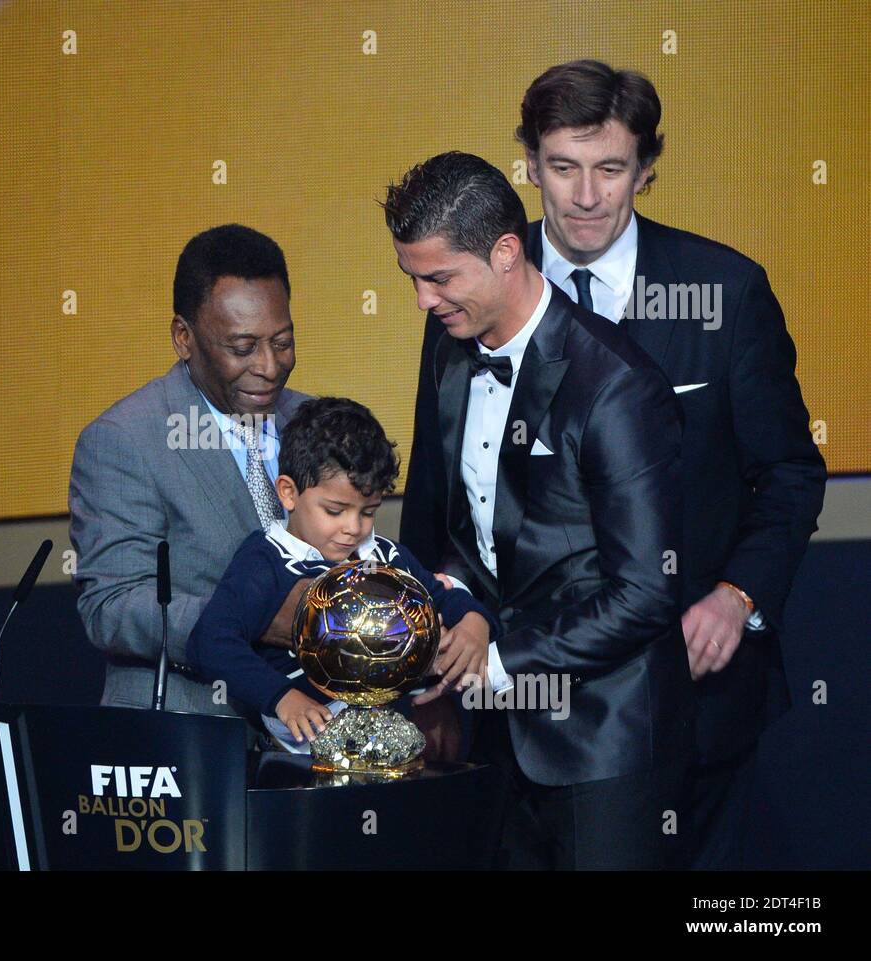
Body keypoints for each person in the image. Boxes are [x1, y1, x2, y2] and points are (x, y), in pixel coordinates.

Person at [505, 60, 824, 868]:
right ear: (529, 164)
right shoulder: (477, 294)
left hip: (692, 700)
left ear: (645, 170)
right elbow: (450, 493)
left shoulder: (726, 290)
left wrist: (736, 594)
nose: (585, 196)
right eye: (564, 168)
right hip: (523, 706)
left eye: (610, 169)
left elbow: (788, 472)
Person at [390, 151, 693, 869]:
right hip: (497, 745)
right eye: (412, 279)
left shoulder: (616, 386)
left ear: (504, 253)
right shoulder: (449, 350)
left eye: (438, 278)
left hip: (606, 745)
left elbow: (646, 591)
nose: (423, 301)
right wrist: (457, 602)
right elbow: (466, 530)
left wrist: (496, 662)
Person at [69, 225, 311, 716]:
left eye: (282, 342)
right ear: (184, 338)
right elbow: (111, 606)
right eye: (242, 348)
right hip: (191, 730)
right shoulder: (123, 439)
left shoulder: (314, 420)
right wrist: (252, 615)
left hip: (316, 731)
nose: (268, 366)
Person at [187, 396, 498, 749]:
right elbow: (210, 642)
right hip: (309, 754)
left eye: (368, 512)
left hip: (400, 738)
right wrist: (280, 697)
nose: (354, 528)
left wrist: (475, 620)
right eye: (335, 511)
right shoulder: (265, 560)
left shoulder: (386, 554)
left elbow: (442, 596)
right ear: (288, 493)